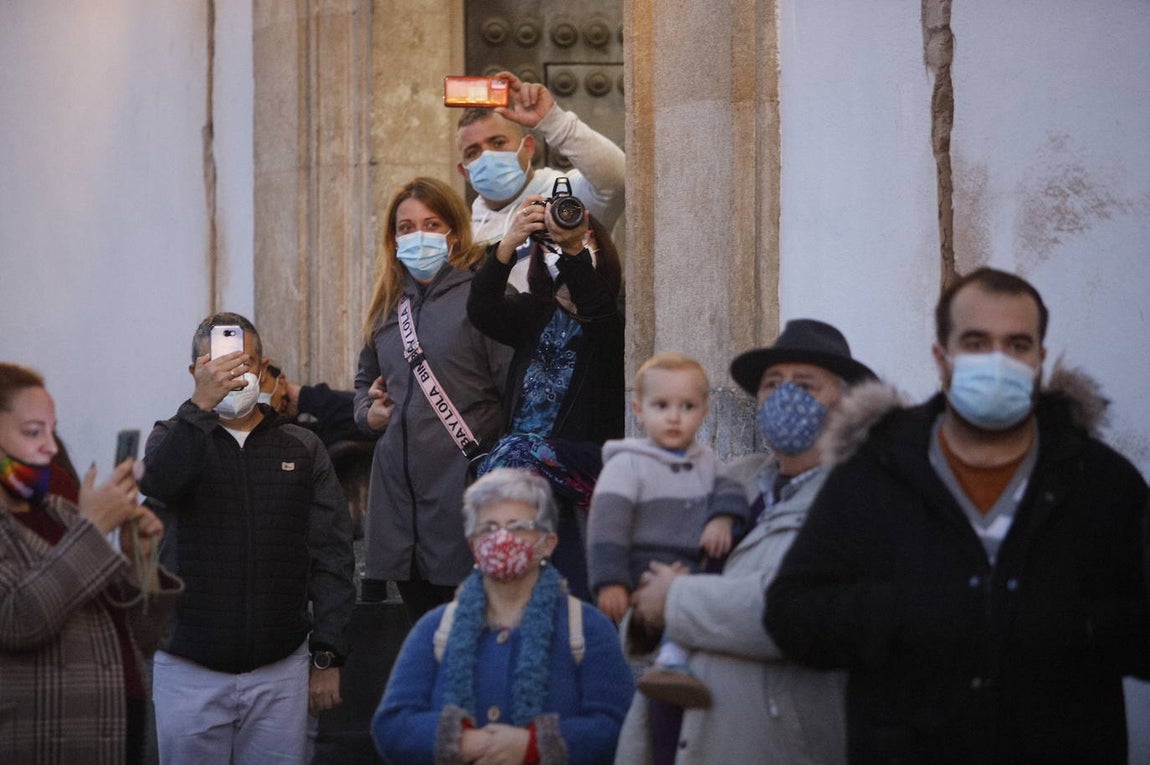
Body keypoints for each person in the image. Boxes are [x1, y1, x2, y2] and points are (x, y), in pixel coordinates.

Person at [765, 269, 1150, 763]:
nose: (997, 361)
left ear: (1039, 358)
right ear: (941, 358)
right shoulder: (875, 472)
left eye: (1017, 344)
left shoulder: (1100, 482)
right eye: (975, 342)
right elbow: (792, 614)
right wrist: (904, 611)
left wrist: (1075, 625)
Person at [612, 320, 873, 765]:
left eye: (805, 385)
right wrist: (646, 614)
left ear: (846, 404)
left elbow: (794, 612)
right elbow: (649, 586)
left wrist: (674, 599)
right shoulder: (728, 482)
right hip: (670, 741)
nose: (784, 396)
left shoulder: (863, 500)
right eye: (773, 384)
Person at [140, 313, 356, 764]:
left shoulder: (301, 445)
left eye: (245, 362)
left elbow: (332, 554)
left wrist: (328, 654)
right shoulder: (170, 437)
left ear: (263, 368)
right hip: (189, 668)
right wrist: (198, 408)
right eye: (217, 364)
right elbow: (160, 483)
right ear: (195, 373)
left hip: (281, 671)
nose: (232, 374)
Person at [372, 468, 634, 765]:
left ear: (548, 542)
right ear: (473, 545)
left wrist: (533, 745)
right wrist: (460, 741)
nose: (501, 538)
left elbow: (617, 725)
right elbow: (392, 725)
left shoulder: (588, 627)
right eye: (488, 528)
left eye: (518, 526)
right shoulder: (435, 627)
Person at [0, 362, 182, 764]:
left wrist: (140, 564)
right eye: (33, 431)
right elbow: (18, 618)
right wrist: (95, 528)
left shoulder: (58, 511)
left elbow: (141, 637)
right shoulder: (79, 522)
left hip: (115, 731)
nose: (51, 447)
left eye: (52, 429)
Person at [354, 177, 511, 621]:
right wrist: (370, 414)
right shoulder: (385, 307)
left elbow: (513, 394)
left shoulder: (486, 298)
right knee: (424, 638)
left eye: (432, 223)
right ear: (393, 238)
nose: (418, 235)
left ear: (455, 233)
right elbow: (364, 385)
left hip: (464, 497)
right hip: (400, 508)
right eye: (406, 227)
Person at [466, 192, 625, 601]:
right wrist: (507, 244)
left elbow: (602, 317)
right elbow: (482, 309)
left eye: (581, 239)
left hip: (577, 465)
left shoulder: (614, 317)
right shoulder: (532, 313)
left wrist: (574, 253)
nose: (566, 250)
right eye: (552, 246)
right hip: (525, 474)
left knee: (571, 586)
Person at [586, 352, 749, 709]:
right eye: (661, 405)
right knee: (654, 624)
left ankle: (679, 664)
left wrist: (721, 518)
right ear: (639, 410)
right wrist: (610, 579)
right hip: (645, 569)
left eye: (687, 406)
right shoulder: (627, 464)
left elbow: (731, 489)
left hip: (693, 568)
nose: (674, 416)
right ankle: (664, 665)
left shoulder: (706, 461)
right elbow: (606, 525)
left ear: (704, 412)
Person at [457, 70, 626, 293]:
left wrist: (554, 122)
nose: (487, 156)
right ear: (464, 171)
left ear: (528, 148)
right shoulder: (466, 235)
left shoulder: (569, 198)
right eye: (472, 152)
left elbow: (619, 179)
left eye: (498, 143)